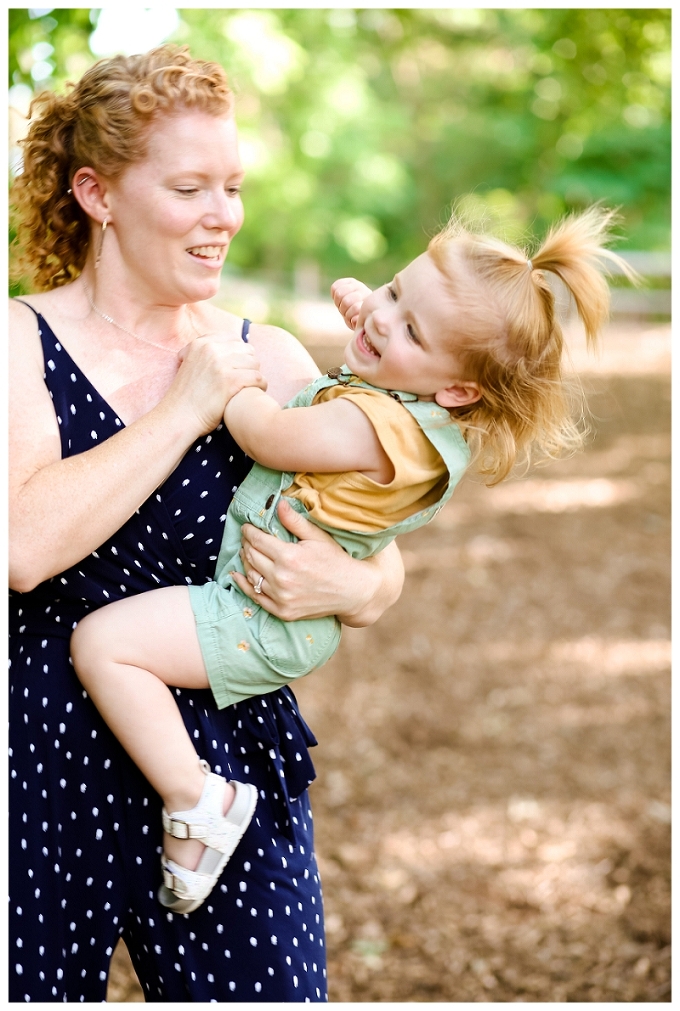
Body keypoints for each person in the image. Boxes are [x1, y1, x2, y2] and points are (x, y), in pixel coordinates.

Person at [70, 205, 632, 915]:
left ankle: (199, 798)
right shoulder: (416, 406)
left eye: (411, 327)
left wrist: (220, 387)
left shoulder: (373, 426)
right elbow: (390, 330)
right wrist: (375, 313)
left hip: (259, 613)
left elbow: (272, 436)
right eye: (396, 289)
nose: (381, 317)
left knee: (104, 646)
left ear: (457, 389)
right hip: (272, 600)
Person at [8, 44, 406, 1003]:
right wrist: (182, 410)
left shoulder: (263, 351)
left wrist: (358, 587)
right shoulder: (20, 339)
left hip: (230, 752)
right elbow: (21, 548)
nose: (223, 216)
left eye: (232, 186)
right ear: (98, 194)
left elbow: (373, 537)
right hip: (39, 759)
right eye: (190, 188)